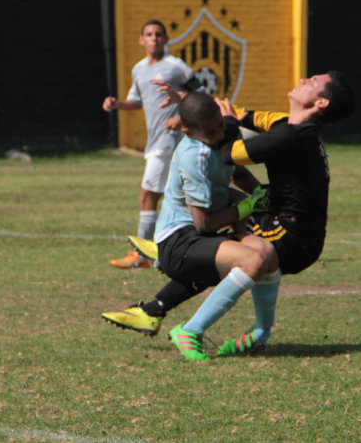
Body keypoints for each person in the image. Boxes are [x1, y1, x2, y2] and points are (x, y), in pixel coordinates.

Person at [104, 71, 356, 361]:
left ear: (321, 103)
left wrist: (224, 124)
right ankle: (164, 301)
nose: (303, 79)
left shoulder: (291, 136)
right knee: (230, 242)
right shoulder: (285, 124)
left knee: (231, 249)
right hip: (285, 222)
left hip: (292, 235)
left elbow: (229, 153)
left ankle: (172, 267)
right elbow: (238, 115)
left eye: (312, 82)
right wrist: (188, 102)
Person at [102, 91, 278, 361]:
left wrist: (264, 199)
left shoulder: (225, 134)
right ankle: (190, 330)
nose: (220, 135)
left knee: (268, 255)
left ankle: (259, 334)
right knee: (251, 261)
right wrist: (250, 205)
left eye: (221, 125)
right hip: (180, 242)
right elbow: (203, 222)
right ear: (188, 132)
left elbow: (238, 172)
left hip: (203, 235)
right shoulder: (193, 157)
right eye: (210, 132)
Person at [102, 20, 202, 269]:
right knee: (176, 198)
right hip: (156, 141)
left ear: (166, 39)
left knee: (148, 196)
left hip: (171, 142)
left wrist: (181, 117)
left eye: (159, 34)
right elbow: (135, 101)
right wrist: (117, 104)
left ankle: (142, 254)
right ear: (141, 40)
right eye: (149, 34)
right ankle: (175, 250)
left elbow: (200, 95)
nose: (154, 38)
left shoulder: (176, 67)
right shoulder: (139, 69)